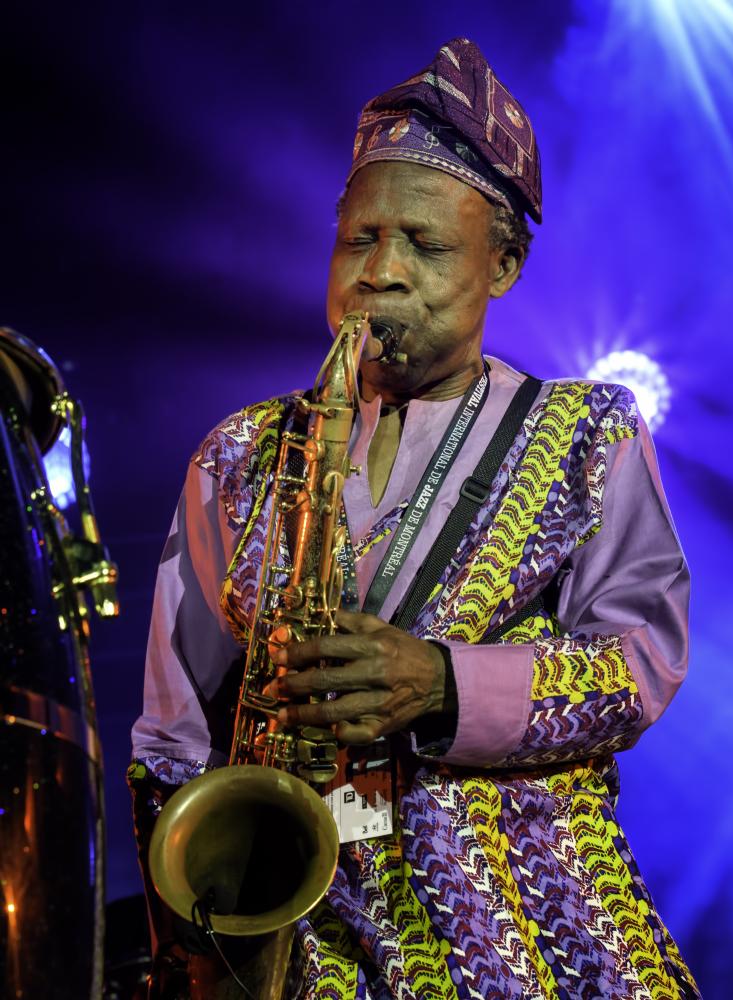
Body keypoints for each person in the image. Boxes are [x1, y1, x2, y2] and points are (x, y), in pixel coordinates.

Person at [130, 38, 700, 999]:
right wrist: (201, 939)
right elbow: (172, 732)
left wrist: (442, 684)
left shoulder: (587, 430)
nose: (379, 272)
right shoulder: (238, 452)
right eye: (359, 239)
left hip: (528, 929)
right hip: (298, 936)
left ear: (504, 264)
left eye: (426, 245)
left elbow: (639, 664)